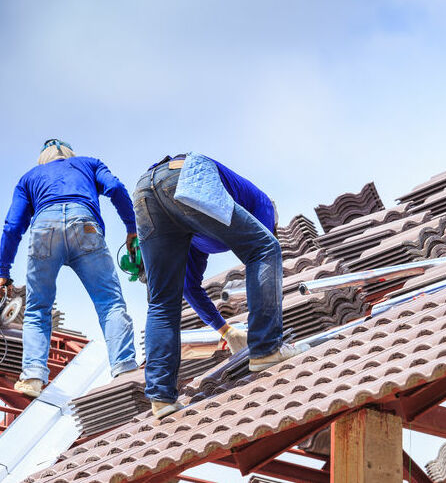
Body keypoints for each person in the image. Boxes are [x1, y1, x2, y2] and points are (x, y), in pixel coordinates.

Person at [134, 153, 309, 419]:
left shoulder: (195, 230)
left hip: (147, 191)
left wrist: (226, 331)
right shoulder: (263, 205)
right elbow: (261, 250)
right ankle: (267, 349)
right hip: (185, 174)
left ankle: (161, 398)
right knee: (265, 247)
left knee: (162, 300)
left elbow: (189, 287)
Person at [0, 139, 138, 397]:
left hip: (44, 229)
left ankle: (32, 378)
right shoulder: (89, 164)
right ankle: (125, 369)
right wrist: (131, 228)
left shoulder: (30, 177)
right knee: (110, 303)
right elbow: (115, 187)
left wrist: (3, 271)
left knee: (38, 308)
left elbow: (12, 226)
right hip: (84, 224)